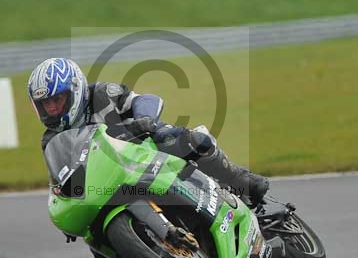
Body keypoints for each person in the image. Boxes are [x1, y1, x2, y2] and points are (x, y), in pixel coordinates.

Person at [28, 57, 269, 206]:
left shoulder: (102, 94)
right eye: (45, 104)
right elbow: (63, 179)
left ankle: (240, 179)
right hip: (109, 182)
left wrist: (143, 120)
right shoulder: (51, 139)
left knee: (190, 141)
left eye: (57, 99)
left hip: (145, 145)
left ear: (75, 89)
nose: (51, 107)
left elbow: (145, 99)